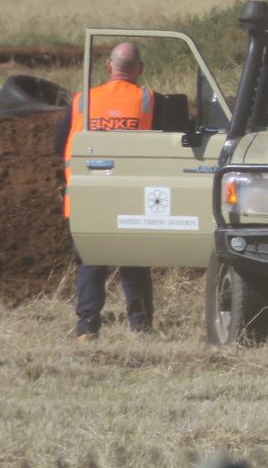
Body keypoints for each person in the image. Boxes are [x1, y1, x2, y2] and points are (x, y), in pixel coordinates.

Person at [54, 42, 156, 340]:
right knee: (134, 263)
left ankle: (87, 327)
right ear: (140, 69)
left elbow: (59, 145)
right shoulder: (148, 100)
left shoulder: (82, 101)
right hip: (130, 197)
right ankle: (141, 327)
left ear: (109, 67)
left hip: (88, 198)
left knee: (91, 261)